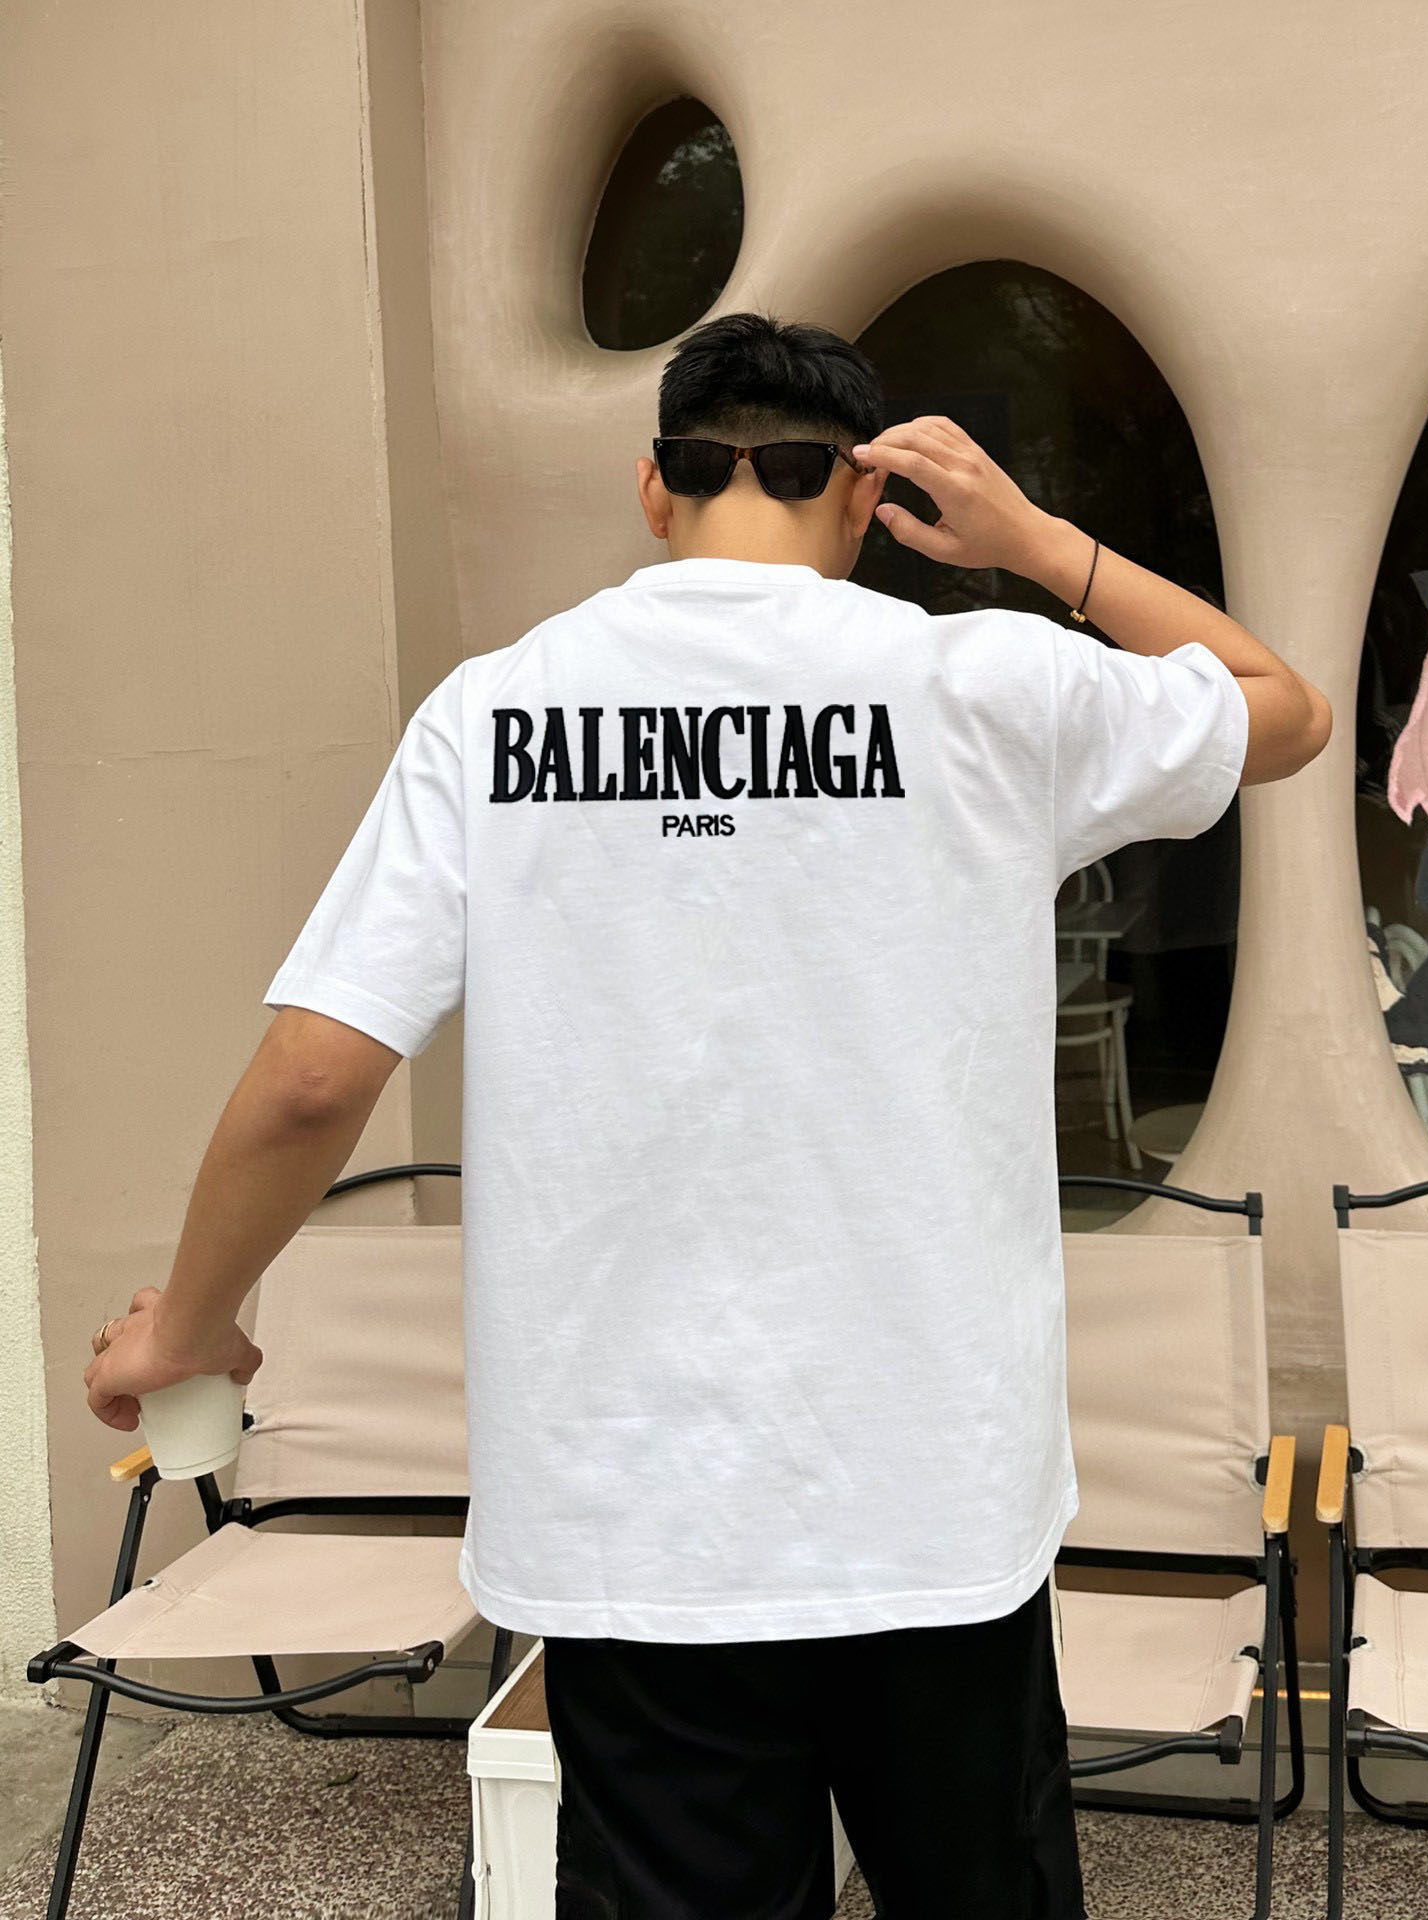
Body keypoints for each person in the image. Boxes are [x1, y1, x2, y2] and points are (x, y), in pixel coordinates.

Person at [82, 311, 1331, 1918]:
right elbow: (1281, 707)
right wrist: (1036, 544)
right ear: (865, 497)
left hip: (629, 1514)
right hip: (931, 1494)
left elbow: (316, 1076)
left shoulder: (494, 710)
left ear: (653, 489)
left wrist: (189, 1326)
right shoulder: (986, 685)